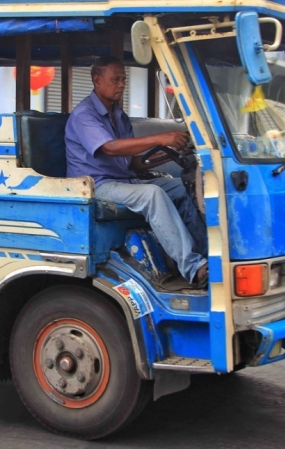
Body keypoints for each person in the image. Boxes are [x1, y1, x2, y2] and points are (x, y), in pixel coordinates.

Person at [65, 56, 208, 287]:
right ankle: (193, 267)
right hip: (96, 186)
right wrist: (162, 137)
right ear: (97, 81)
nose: (122, 84)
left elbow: (132, 164)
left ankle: (207, 256)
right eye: (115, 79)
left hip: (125, 180)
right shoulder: (84, 115)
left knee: (181, 186)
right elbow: (109, 148)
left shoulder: (120, 116)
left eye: (124, 79)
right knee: (151, 194)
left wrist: (166, 150)